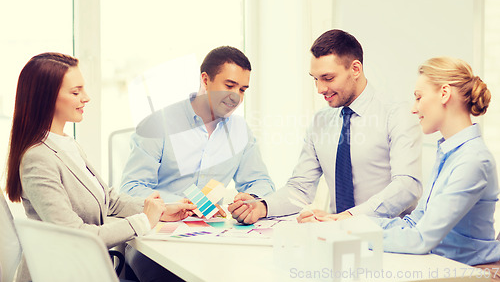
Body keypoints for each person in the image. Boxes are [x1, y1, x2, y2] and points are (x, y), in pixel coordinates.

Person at [5, 53, 196, 282]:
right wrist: (144, 220)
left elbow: (109, 200)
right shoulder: (38, 158)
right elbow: (75, 234)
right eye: (75, 92)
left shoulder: (67, 144)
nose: (86, 98)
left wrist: (161, 210)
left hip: (86, 269)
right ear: (47, 98)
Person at [229, 29, 422, 224]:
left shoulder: (397, 114)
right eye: (315, 79)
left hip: (389, 239)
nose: (320, 89)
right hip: (335, 234)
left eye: (328, 78)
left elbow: (407, 186)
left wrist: (348, 218)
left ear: (355, 69)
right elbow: (300, 189)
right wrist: (262, 207)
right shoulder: (320, 121)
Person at [366, 57, 498, 265]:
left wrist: (357, 235)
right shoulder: (449, 152)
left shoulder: (473, 160)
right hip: (447, 267)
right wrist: (353, 224)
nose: (413, 108)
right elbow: (415, 222)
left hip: (474, 273)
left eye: (418, 97)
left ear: (444, 94)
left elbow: (421, 240)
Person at [120, 46, 275, 203]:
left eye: (242, 90)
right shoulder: (158, 125)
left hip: (213, 226)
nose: (236, 97)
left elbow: (261, 182)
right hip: (163, 223)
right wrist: (176, 203)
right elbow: (131, 188)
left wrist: (252, 198)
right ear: (206, 80)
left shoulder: (240, 131)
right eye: (229, 86)